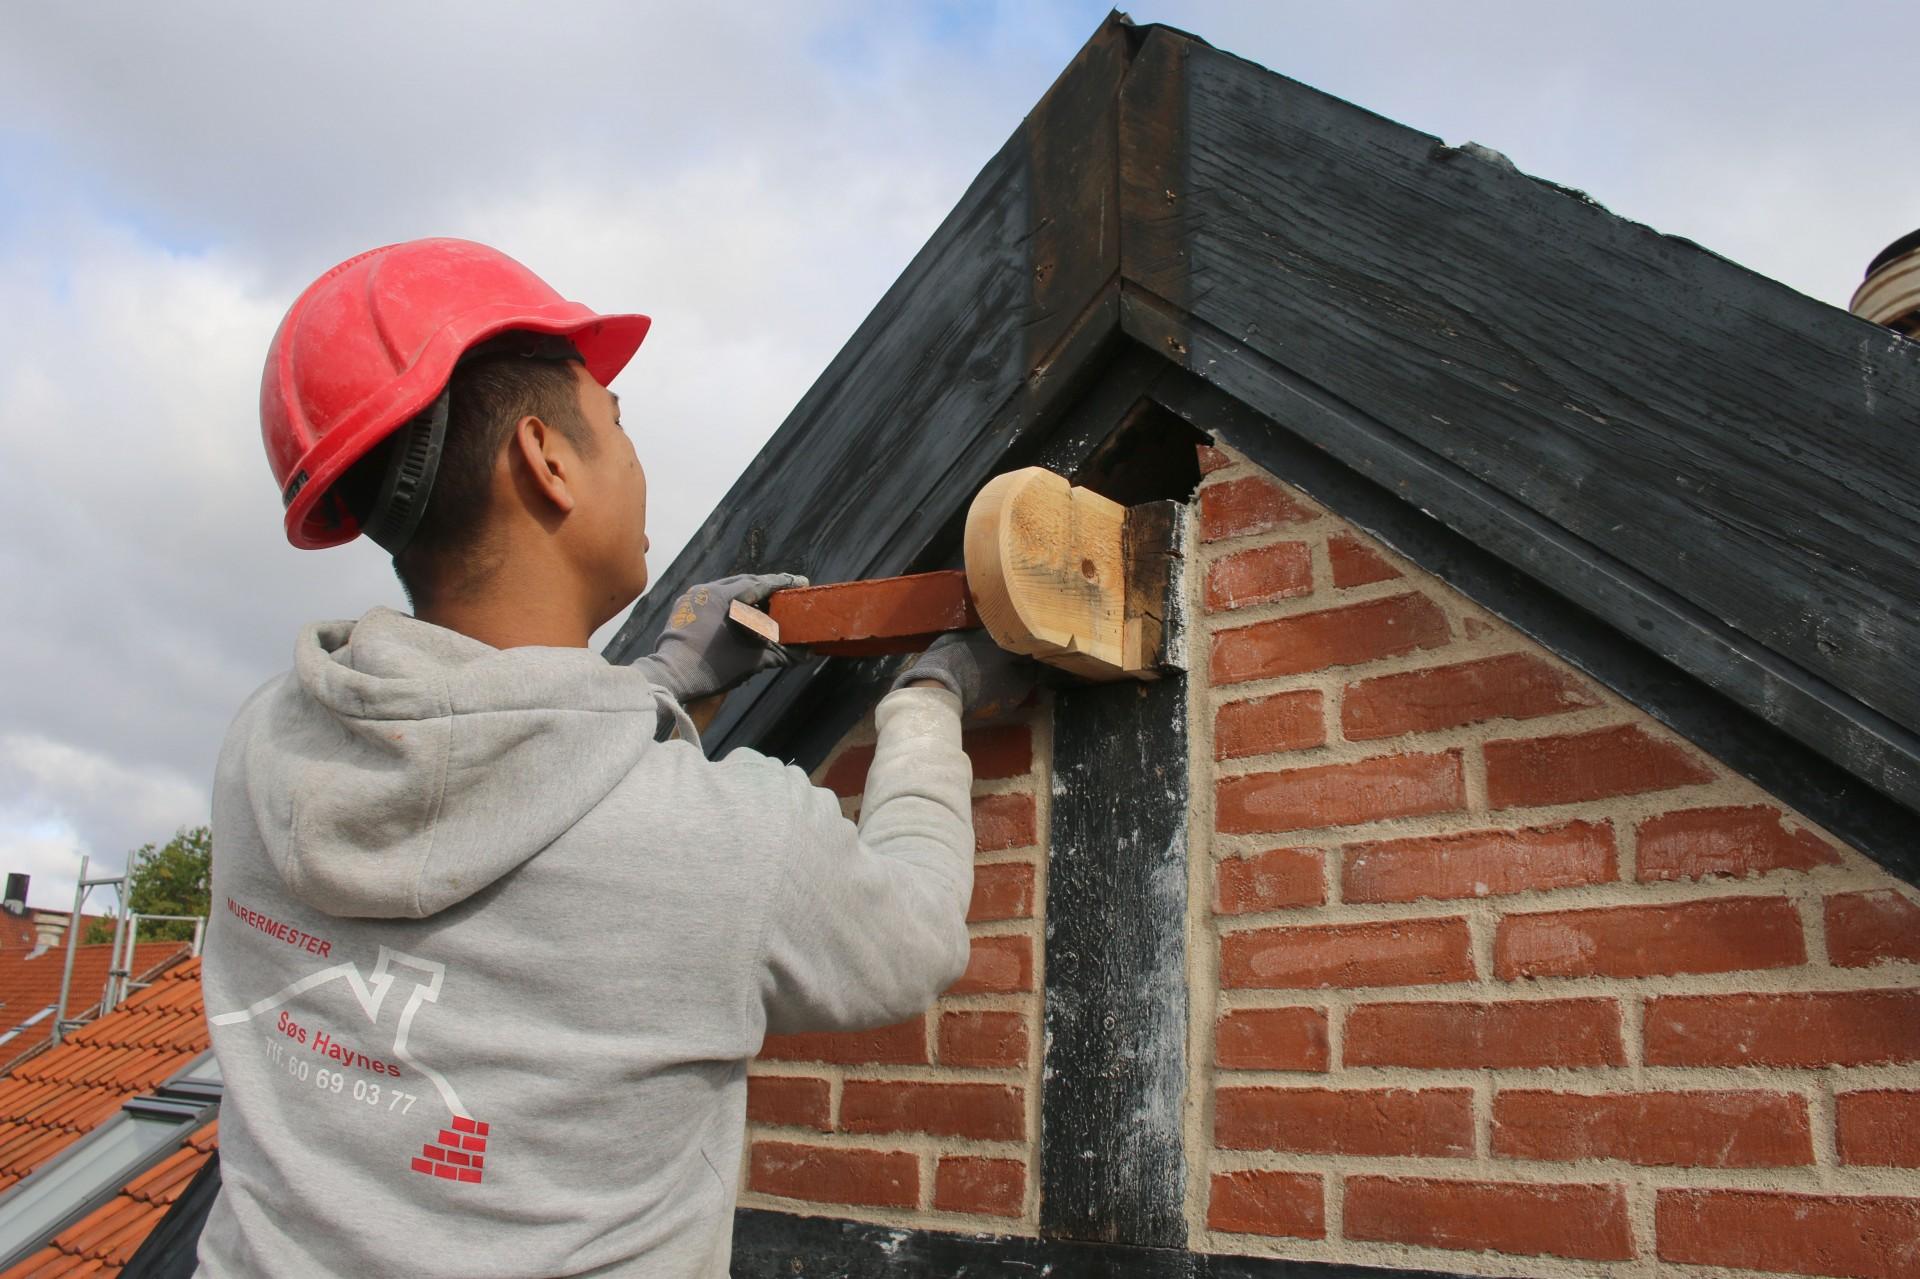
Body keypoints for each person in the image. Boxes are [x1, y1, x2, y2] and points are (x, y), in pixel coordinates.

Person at [196, 238, 1029, 1277]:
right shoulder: (724, 842)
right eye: (617, 428)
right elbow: (909, 934)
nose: (636, 462)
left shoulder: (264, 748)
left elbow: (484, 757)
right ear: (546, 460)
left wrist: (660, 680)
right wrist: (927, 702)